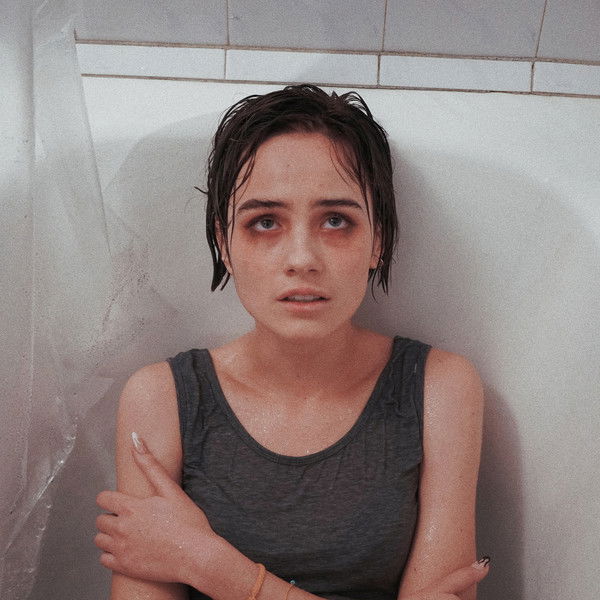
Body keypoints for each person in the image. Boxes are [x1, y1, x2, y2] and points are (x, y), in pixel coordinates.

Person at [94, 84, 488, 600]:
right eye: (264, 222)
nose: (301, 259)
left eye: (335, 221)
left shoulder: (440, 389)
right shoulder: (162, 399)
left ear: (378, 240)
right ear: (224, 244)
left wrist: (214, 567)